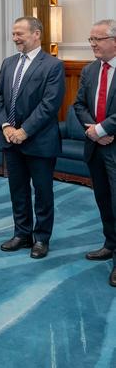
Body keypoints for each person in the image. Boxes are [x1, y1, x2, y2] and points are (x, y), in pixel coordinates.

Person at [0, 16, 65, 259]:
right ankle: (22, 234)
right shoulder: (8, 62)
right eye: (13, 34)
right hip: (10, 140)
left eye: (20, 34)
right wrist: (5, 126)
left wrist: (24, 131)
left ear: (37, 34)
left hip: (39, 141)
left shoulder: (53, 65)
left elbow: (50, 104)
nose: (15, 38)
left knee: (43, 192)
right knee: (18, 190)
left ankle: (41, 238)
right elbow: (0, 98)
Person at [73, 19, 116, 285]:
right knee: (103, 199)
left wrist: (102, 129)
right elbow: (79, 104)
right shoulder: (89, 70)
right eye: (91, 40)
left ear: (114, 40)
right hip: (95, 147)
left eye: (97, 39)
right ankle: (110, 243)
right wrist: (93, 130)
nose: (92, 45)